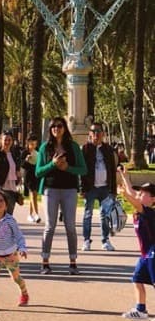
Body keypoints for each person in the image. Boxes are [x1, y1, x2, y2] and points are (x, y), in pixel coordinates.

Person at [35, 116, 87, 275]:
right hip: (50, 190)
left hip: (69, 190)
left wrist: (67, 168)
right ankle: (45, 262)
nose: (56, 129)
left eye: (59, 126)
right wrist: (52, 164)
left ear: (65, 128)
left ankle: (73, 262)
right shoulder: (45, 147)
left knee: (70, 227)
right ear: (50, 130)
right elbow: (38, 172)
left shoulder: (73, 147)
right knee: (50, 226)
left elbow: (83, 170)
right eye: (53, 126)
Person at [117, 172, 155, 321]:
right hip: (146, 253)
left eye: (144, 193)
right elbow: (134, 195)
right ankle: (141, 310)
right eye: (140, 192)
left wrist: (125, 194)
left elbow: (134, 201)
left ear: (153, 199)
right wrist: (125, 178)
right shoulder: (141, 207)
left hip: (153, 252)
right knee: (137, 279)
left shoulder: (149, 212)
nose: (140, 194)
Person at [80, 122, 117, 251]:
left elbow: (112, 169)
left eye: (98, 132)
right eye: (93, 132)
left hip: (105, 188)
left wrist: (113, 190)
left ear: (103, 134)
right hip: (90, 188)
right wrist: (82, 189)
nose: (96, 134)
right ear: (90, 134)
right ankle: (86, 240)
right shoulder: (85, 149)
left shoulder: (108, 149)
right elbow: (81, 171)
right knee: (87, 214)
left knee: (105, 215)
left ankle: (105, 240)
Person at [0, 130, 22, 215]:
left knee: (9, 215)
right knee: (0, 215)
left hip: (12, 188)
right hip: (2, 188)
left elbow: (16, 167)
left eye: (9, 140)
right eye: (5, 140)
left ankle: (7, 228)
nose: (7, 142)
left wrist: (18, 175)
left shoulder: (14, 154)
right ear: (1, 141)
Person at [21, 133, 42, 223]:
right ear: (28, 143)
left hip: (36, 176)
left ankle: (30, 214)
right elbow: (22, 165)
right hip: (28, 176)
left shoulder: (37, 152)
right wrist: (26, 160)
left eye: (35, 144)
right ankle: (37, 214)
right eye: (32, 144)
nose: (33, 146)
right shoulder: (25, 152)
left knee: (34, 195)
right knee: (32, 194)